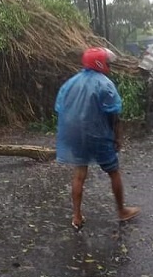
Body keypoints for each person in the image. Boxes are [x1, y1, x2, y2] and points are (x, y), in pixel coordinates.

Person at [55, 47, 141, 229]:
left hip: (75, 135)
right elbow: (114, 115)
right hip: (97, 135)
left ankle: (77, 216)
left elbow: (61, 108)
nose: (109, 65)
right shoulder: (104, 83)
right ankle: (122, 211)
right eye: (107, 62)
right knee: (113, 171)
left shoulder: (71, 83)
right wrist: (117, 138)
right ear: (100, 63)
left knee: (79, 174)